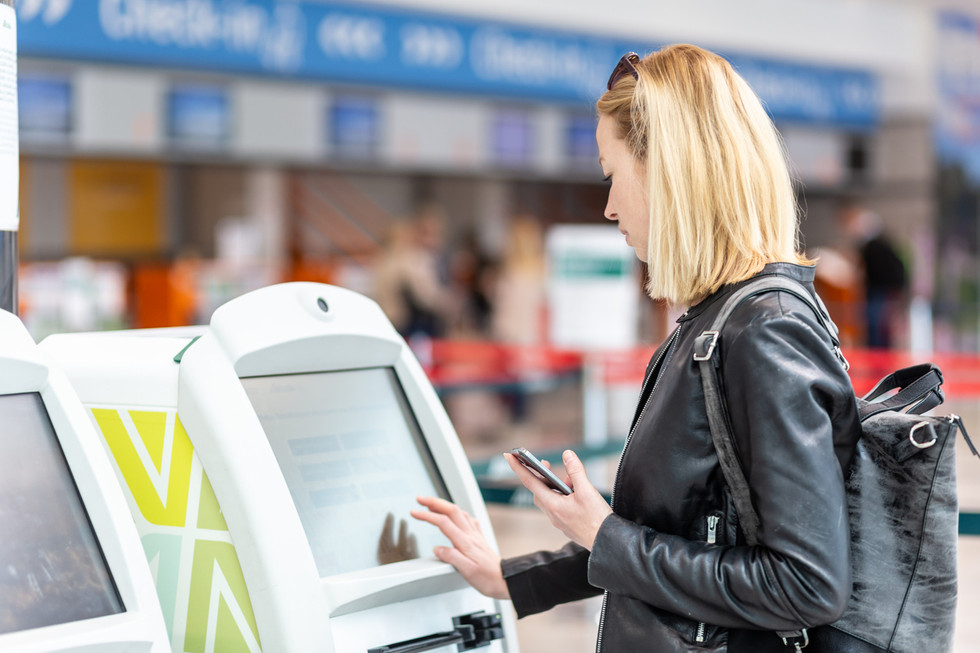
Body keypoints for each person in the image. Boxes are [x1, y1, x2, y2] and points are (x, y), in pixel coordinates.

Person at [412, 44, 862, 652]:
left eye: (611, 174)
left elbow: (805, 584)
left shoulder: (761, 329)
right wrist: (511, 578)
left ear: (670, 170)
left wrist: (607, 539)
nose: (608, 205)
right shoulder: (715, 321)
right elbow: (676, 536)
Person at [840, 202, 908, 349]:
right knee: (877, 326)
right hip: (881, 288)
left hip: (880, 289)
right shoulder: (880, 247)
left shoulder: (874, 247)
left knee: (876, 326)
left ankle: (878, 355)